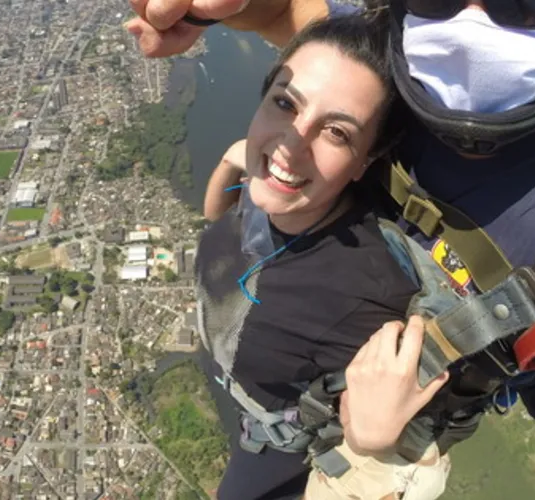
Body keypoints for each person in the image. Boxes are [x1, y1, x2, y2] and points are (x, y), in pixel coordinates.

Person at [129, 1, 535, 499]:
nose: (468, 20)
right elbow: (302, 25)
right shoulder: (390, 55)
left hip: (327, 455)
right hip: (260, 393)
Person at [192, 13, 451, 499]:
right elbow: (216, 224)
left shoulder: (366, 297)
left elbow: (409, 439)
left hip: (275, 447)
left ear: (365, 162)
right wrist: (232, 160)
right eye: (286, 104)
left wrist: (376, 445)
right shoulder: (272, 188)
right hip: (242, 395)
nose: (292, 144)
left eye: (337, 133)